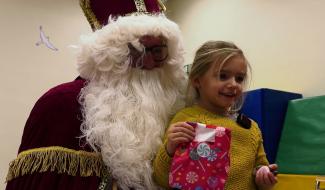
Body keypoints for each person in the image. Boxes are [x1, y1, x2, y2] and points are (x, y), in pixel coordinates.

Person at [5, 0, 186, 189]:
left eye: (157, 51)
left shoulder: (181, 108)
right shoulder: (58, 105)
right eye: (137, 52)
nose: (148, 62)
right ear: (110, 55)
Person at [153, 40, 278, 190]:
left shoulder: (251, 128)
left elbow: (260, 166)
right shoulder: (186, 119)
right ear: (197, 80)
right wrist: (170, 148)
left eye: (239, 78)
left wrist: (263, 175)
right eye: (223, 76)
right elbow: (161, 178)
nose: (234, 84)